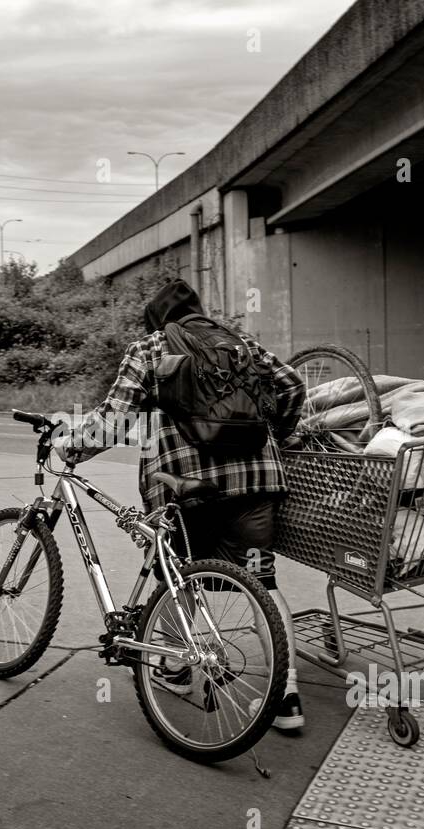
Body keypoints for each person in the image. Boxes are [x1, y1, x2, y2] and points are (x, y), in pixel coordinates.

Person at [52, 279, 308, 730]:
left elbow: (116, 418)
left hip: (184, 488)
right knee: (263, 584)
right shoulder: (241, 344)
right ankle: (286, 701)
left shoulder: (150, 347)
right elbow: (290, 385)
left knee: (177, 579)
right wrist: (281, 434)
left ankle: (174, 670)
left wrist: (70, 446)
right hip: (254, 483)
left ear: (156, 319)